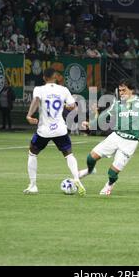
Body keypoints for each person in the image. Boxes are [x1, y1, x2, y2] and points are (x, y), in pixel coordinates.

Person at [78, 79, 139, 196]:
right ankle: (89, 170)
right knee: (91, 158)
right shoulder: (117, 104)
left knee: (112, 173)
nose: (121, 93)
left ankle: (109, 184)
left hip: (130, 142)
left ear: (131, 90)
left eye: (124, 90)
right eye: (119, 91)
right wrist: (90, 123)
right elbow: (104, 116)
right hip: (116, 136)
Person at [24, 68, 85, 196]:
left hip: (44, 130)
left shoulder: (39, 89)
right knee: (68, 154)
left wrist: (29, 115)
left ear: (44, 78)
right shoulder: (63, 90)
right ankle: (77, 178)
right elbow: (72, 106)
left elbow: (36, 101)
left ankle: (33, 185)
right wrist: (65, 106)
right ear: (56, 77)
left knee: (32, 153)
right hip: (60, 129)